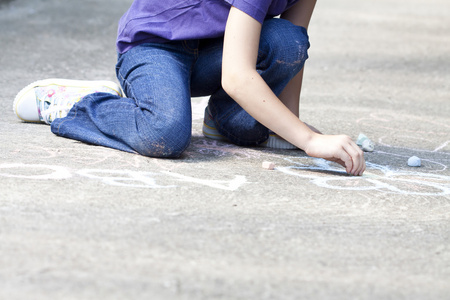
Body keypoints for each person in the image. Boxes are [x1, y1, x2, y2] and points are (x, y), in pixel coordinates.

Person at [13, 0, 366, 176]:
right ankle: (80, 104)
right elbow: (237, 76)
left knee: (288, 41)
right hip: (156, 46)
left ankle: (223, 118)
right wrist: (308, 140)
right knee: (163, 133)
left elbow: (293, 48)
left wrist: (292, 127)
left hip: (216, 51)